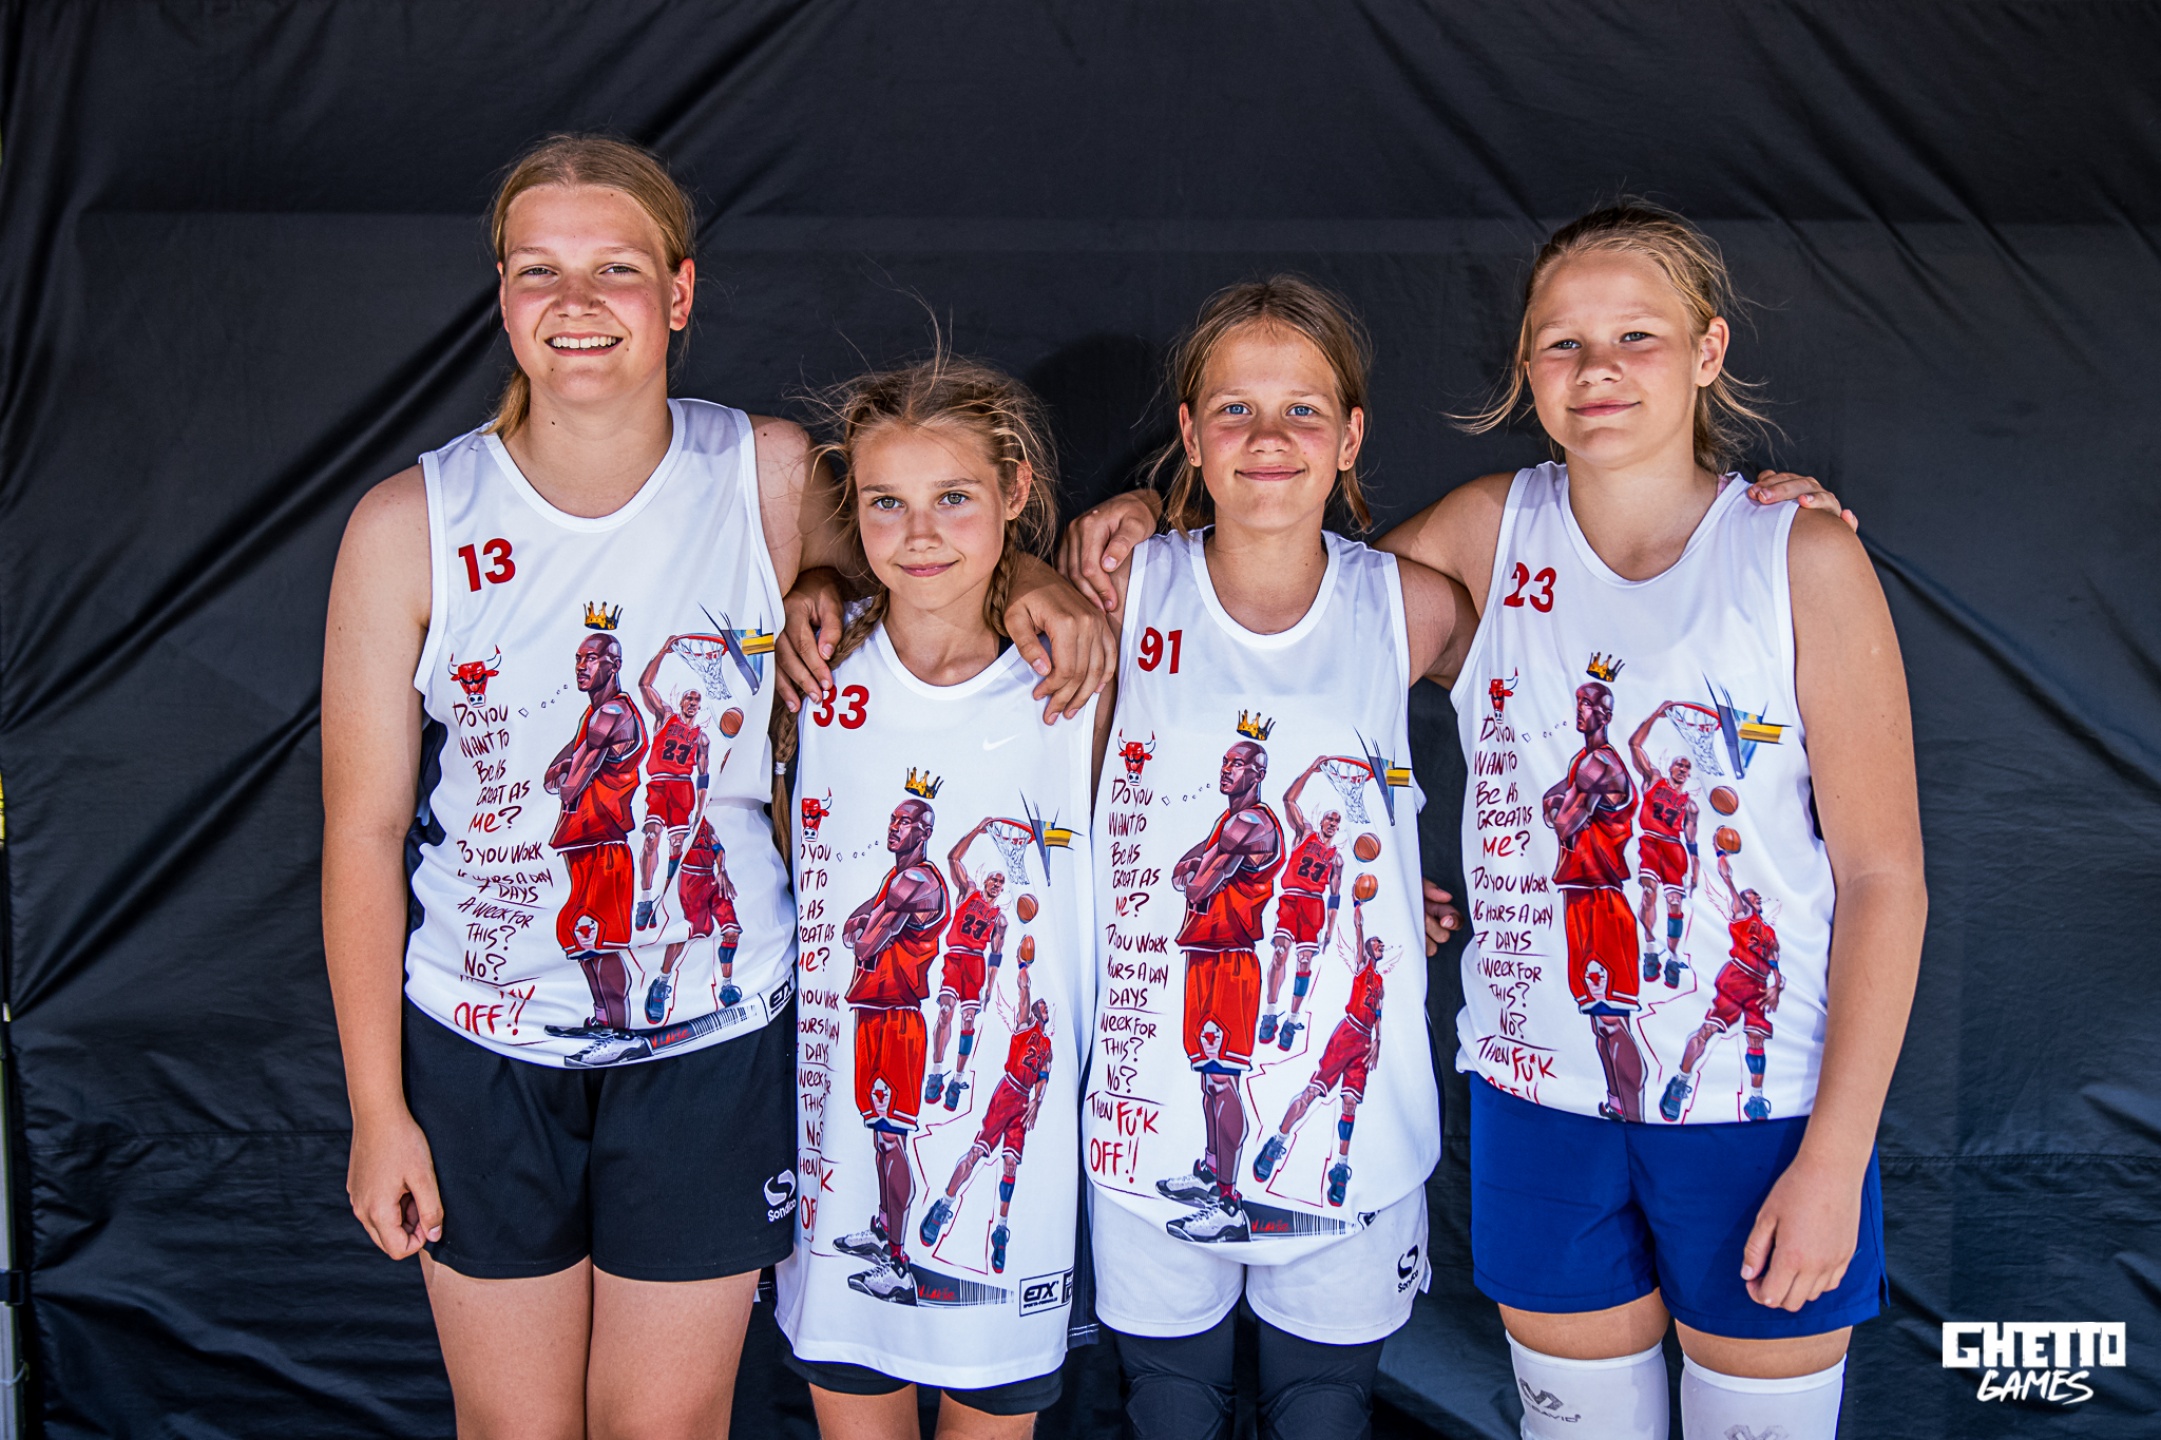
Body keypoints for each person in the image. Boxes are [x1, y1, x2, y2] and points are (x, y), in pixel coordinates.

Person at [1064, 202, 1922, 1440]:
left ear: (1708, 350)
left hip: (1757, 1109)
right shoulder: (1485, 530)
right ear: (1525, 365)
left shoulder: (1797, 554)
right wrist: (1129, 531)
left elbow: (1886, 876)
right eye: (1563, 342)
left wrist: (1837, 1154)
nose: (1598, 368)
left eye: (1636, 335)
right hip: (1538, 1099)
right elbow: (1278, 618)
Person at [320, 135, 1109, 1438]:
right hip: (480, 1043)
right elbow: (363, 830)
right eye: (539, 269)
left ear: (679, 291)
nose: (576, 302)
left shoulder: (770, 473)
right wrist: (375, 1109)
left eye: (616, 268)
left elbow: (926, 550)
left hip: (711, 1039)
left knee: (665, 1426)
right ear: (503, 295)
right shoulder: (412, 526)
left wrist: (1029, 574)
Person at [1050, 277, 1475, 1440]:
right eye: (1235, 409)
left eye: (1303, 410)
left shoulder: (1410, 605)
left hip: (1354, 1115)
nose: (1269, 437)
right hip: (1145, 1105)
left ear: (1351, 437)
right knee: (1169, 1407)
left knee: (1323, 1410)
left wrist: (1388, 885)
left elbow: (1573, 641)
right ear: (1190, 434)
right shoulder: (1118, 588)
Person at [770, 355, 1106, 1437]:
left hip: (1023, 1124)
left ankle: (942, 1232)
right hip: (823, 1139)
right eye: (886, 503)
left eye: (953, 497)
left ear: (1015, 493)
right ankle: (888, 1233)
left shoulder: (1076, 676)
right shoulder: (814, 667)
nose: (918, 533)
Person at [1261, 757, 1346, 1051]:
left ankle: (1292, 1020)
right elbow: (1288, 799)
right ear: (1321, 821)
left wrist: (1330, 930)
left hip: (1314, 907)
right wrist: (1310, 770)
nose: (1333, 823)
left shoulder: (1336, 858)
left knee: (1305, 961)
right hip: (1291, 899)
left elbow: (1335, 896)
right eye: (1330, 818)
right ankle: (1270, 1014)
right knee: (1279, 953)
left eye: (1337, 821)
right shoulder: (1305, 833)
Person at [1629, 701, 1702, 988]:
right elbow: (1634, 744)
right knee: (1648, 893)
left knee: (1674, 904)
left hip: (1674, 849)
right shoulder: (1654, 779)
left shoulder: (1690, 805)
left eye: (1687, 766)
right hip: (1651, 843)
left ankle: (1672, 956)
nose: (1682, 768)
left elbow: (1692, 841)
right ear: (1670, 766)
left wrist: (1695, 869)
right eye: (1679, 764)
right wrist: (1655, 715)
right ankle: (1650, 949)